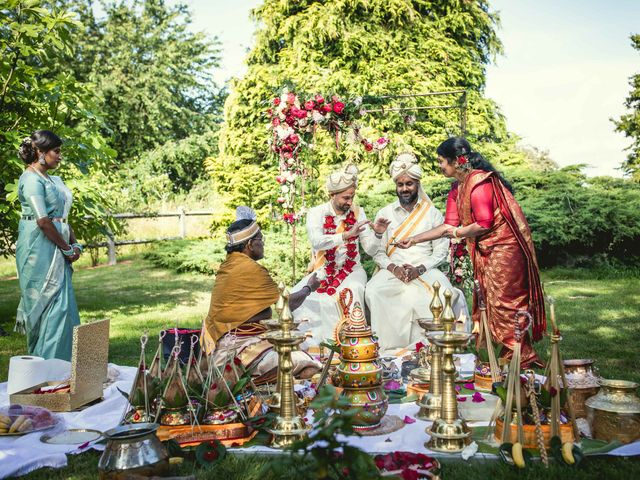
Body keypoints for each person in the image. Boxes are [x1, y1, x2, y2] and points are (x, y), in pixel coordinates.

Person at [397, 137, 546, 368]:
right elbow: (448, 225)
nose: (439, 166)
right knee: (491, 300)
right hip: (484, 250)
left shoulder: (479, 183)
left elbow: (484, 224)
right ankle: (508, 354)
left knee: (507, 301)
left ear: (456, 161)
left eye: (441, 161)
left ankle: (521, 357)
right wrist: (414, 239)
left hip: (505, 249)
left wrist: (458, 234)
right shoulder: (457, 188)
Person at [201, 208, 322, 384]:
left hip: (236, 342)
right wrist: (309, 287)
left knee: (301, 346)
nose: (263, 243)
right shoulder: (249, 269)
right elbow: (287, 305)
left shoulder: (231, 263)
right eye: (260, 239)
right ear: (250, 244)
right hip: (235, 349)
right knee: (304, 364)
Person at [365, 153, 470, 352]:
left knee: (440, 293)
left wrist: (420, 268)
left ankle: (429, 349)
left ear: (417, 185)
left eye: (409, 184)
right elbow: (377, 252)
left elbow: (441, 250)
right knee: (374, 291)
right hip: (392, 269)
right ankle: (389, 349)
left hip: (424, 268)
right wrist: (394, 268)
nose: (404, 188)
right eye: (400, 184)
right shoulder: (384, 213)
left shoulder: (432, 213)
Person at [293, 165, 390, 345]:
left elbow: (370, 249)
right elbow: (317, 241)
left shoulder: (357, 212)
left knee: (352, 290)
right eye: (346, 197)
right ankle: (314, 350)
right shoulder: (316, 214)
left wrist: (377, 234)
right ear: (332, 195)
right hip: (323, 270)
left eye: (352, 196)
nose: (349, 201)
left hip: (352, 270)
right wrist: (346, 235)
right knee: (300, 297)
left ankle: (352, 348)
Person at [15, 131, 83, 361]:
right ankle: (46, 368)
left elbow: (61, 218)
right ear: (41, 153)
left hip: (57, 242)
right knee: (48, 306)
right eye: (56, 151)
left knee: (64, 307)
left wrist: (75, 244)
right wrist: (66, 249)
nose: (60, 156)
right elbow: (43, 221)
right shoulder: (31, 179)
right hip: (38, 248)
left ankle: (66, 367)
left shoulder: (52, 180)